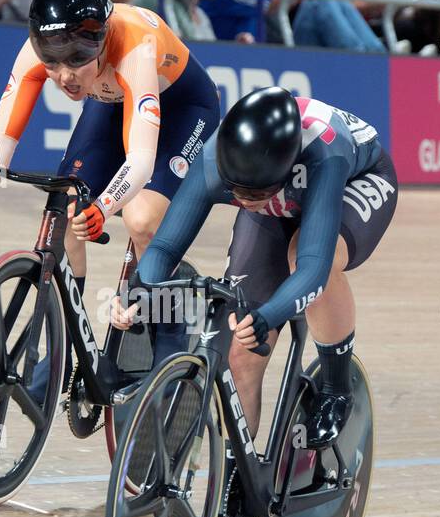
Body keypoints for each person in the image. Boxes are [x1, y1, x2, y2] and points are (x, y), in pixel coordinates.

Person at [0, 0, 222, 374]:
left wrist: (105, 206)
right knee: (64, 208)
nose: (65, 75)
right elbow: (3, 131)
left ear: (102, 37)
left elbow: (142, 160)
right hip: (111, 99)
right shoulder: (36, 52)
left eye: (78, 57)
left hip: (184, 109)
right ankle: (66, 339)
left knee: (141, 219)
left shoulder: (133, 46)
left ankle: (170, 343)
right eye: (53, 61)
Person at [115, 87, 397, 451]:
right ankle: (237, 481)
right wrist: (139, 292)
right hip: (281, 196)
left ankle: (335, 387)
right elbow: (166, 246)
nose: (245, 201)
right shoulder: (215, 158)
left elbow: (312, 269)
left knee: (305, 258)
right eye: (237, 193)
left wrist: (267, 317)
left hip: (356, 179)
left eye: (256, 193)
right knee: (241, 356)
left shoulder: (325, 153)